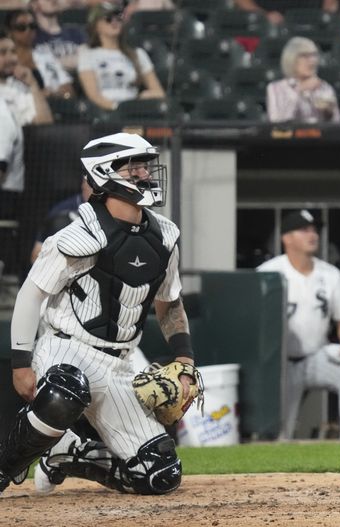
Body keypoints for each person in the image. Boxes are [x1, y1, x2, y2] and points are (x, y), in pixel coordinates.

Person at [0, 132, 196, 496]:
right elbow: (30, 296)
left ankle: (68, 454)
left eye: (145, 165)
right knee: (63, 393)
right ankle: (3, 467)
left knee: (159, 475)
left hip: (120, 363)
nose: (144, 174)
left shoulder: (165, 235)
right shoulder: (77, 236)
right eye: (133, 166)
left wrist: (184, 358)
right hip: (65, 350)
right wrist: (21, 363)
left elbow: (169, 303)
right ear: (105, 173)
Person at [256, 209, 340, 441]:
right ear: (287, 237)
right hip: (280, 364)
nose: (312, 235)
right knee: (280, 435)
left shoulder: (329, 274)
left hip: (316, 356)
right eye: (304, 230)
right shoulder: (268, 273)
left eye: (314, 230)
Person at [77, 2, 165, 112]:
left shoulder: (137, 53)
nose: (114, 22)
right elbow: (93, 95)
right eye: (108, 18)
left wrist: (143, 98)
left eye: (118, 18)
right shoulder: (87, 53)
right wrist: (118, 109)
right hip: (104, 112)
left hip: (134, 110)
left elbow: (158, 92)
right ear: (96, 25)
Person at [266, 36, 340, 124]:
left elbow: (337, 124)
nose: (312, 61)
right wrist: (299, 90)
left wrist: (329, 113)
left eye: (314, 55)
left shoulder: (324, 87)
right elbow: (277, 121)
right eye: (305, 56)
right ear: (291, 59)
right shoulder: (276, 88)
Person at [5, 9, 74, 98]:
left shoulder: (46, 55)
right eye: (21, 27)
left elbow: (69, 89)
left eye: (32, 26)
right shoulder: (5, 61)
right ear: (10, 32)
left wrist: (54, 93)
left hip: (54, 106)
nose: (28, 31)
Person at [30, 177, 93, 263]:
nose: (95, 191)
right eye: (91, 185)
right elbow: (36, 255)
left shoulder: (109, 210)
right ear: (83, 184)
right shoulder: (61, 210)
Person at [0, 28, 54, 125]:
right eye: (3, 52)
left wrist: (33, 84)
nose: (11, 58)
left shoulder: (21, 87)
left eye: (13, 52)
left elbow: (45, 124)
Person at [30, 0, 86, 73]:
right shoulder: (31, 36)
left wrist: (54, 62)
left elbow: (85, 59)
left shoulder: (74, 31)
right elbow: (35, 63)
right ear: (34, 5)